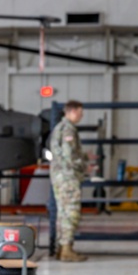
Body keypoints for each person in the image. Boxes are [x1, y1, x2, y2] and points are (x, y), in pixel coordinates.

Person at [48, 100, 91, 262]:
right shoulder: (68, 129)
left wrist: (85, 157)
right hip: (68, 177)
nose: (81, 115)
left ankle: (62, 248)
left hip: (60, 176)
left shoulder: (60, 127)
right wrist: (84, 166)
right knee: (71, 212)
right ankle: (66, 249)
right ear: (72, 111)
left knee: (62, 212)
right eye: (80, 112)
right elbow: (69, 156)